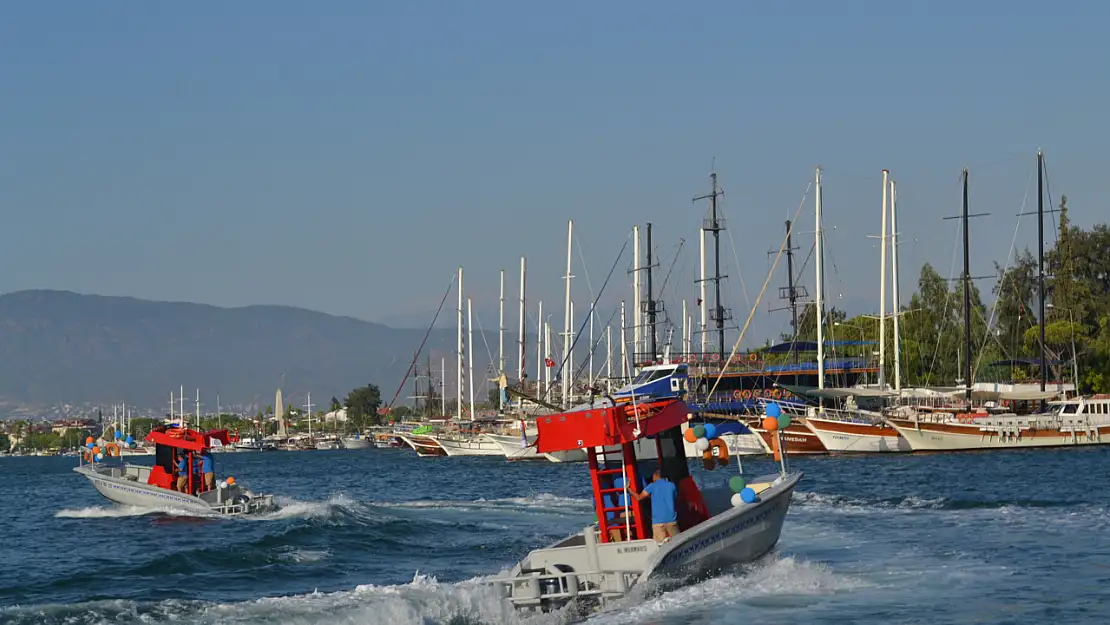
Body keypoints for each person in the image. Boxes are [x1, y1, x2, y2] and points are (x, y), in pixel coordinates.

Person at [629, 469, 679, 543]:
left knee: (660, 545)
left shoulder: (652, 486)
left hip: (658, 522)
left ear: (655, 476)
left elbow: (639, 498)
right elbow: (675, 498)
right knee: (677, 543)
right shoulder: (672, 485)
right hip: (672, 520)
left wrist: (629, 490)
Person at [605, 476, 628, 542]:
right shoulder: (613, 490)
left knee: (603, 543)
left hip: (605, 520)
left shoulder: (597, 491)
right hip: (615, 520)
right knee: (619, 541)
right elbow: (616, 501)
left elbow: (596, 507)